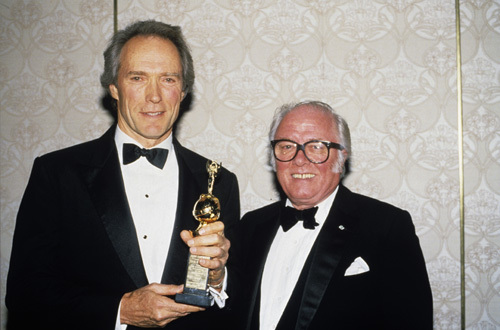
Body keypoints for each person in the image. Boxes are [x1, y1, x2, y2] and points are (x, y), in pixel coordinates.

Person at [6, 20, 240, 330]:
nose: (154, 96)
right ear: (114, 87)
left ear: (182, 90)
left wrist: (217, 278)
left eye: (168, 79)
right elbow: (25, 296)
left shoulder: (219, 181)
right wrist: (120, 311)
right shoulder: (57, 174)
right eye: (138, 77)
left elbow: (235, 312)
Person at [227, 101, 432, 329]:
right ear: (274, 158)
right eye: (286, 146)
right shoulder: (251, 226)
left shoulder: (387, 227)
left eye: (316, 147)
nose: (299, 159)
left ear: (342, 157)